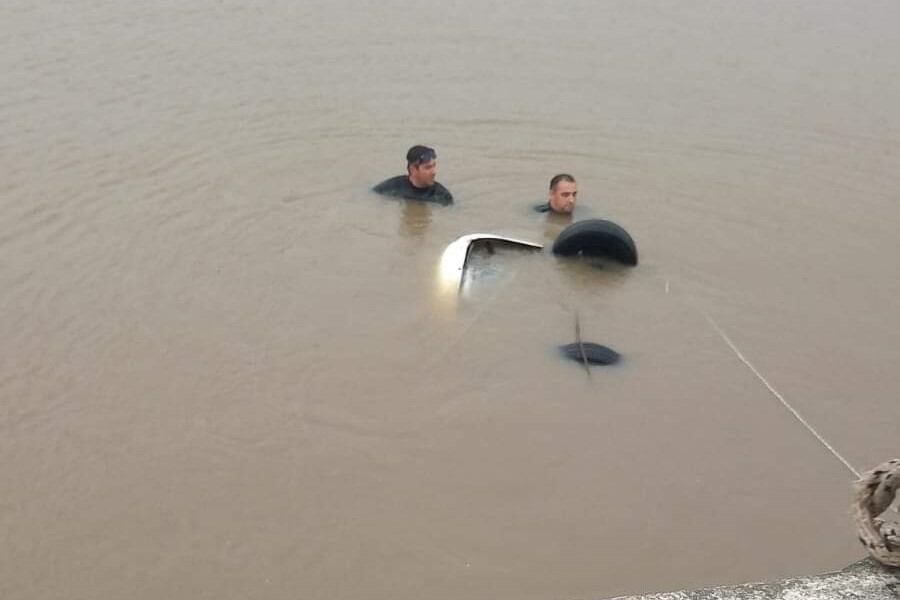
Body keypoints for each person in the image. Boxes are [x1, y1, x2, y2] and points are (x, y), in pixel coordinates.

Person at [373, 145, 453, 205]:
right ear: (413, 169)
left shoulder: (442, 196)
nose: (434, 172)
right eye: (428, 168)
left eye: (434, 166)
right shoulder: (391, 187)